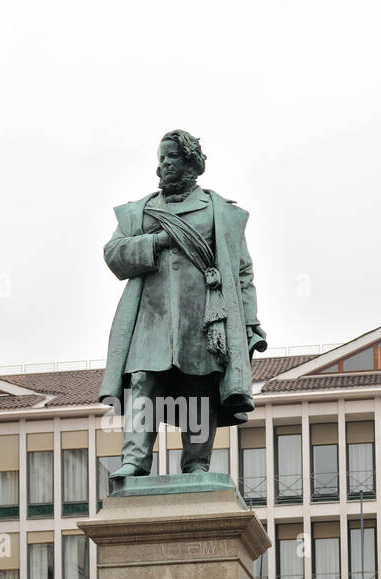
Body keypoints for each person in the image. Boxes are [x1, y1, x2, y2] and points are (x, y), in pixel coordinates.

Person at [99, 130, 267, 476]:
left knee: (200, 384)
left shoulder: (219, 212)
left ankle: (196, 463)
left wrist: (249, 321)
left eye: (171, 157)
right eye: (160, 158)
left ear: (191, 164)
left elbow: (242, 271)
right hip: (151, 317)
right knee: (144, 380)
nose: (163, 165)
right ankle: (134, 459)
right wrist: (156, 242)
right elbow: (114, 254)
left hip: (204, 316)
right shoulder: (141, 212)